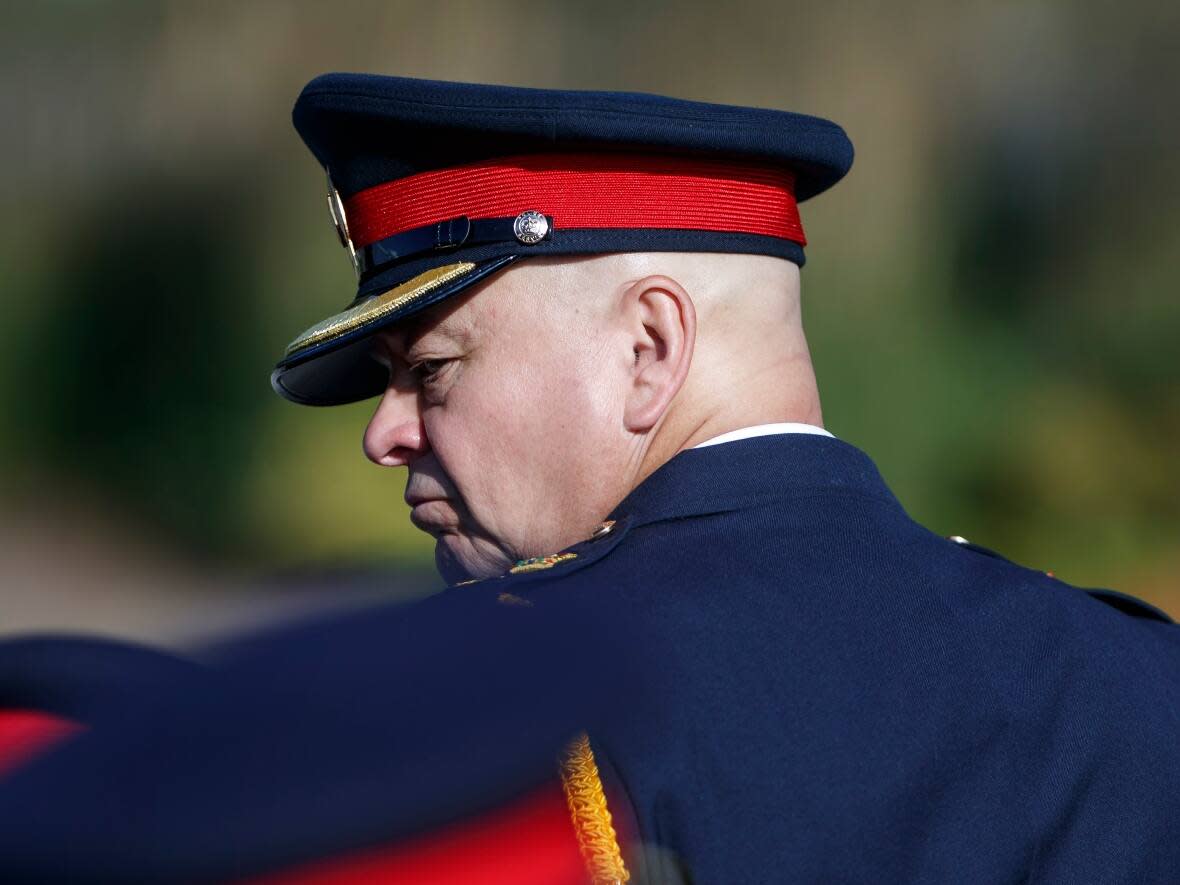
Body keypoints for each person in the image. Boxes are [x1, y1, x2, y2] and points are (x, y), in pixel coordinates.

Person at [1, 73, 1178, 883]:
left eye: (434, 370)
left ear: (648, 350)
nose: (384, 435)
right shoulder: (1132, 670)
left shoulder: (488, 723)